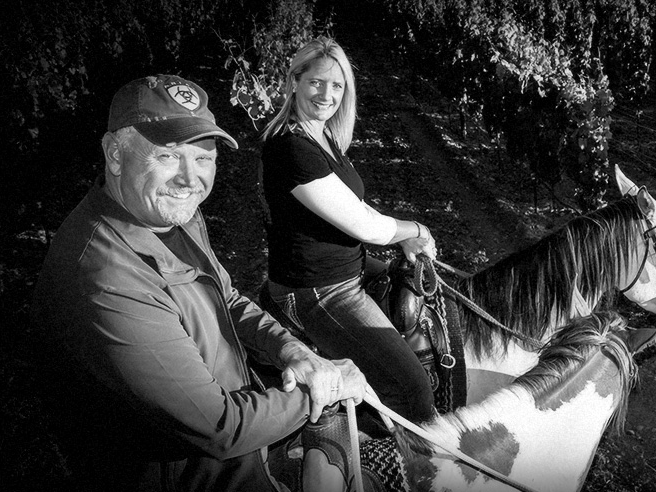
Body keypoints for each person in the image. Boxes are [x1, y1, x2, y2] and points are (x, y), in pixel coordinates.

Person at [31, 74, 367, 491]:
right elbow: (218, 425)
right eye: (169, 156)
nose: (190, 179)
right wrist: (326, 387)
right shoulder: (106, 278)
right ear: (115, 154)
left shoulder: (176, 216)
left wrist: (292, 349)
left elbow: (226, 296)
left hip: (242, 452)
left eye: (204, 157)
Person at [258, 37, 437, 425]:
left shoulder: (322, 136)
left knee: (420, 299)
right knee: (412, 388)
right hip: (317, 289)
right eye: (315, 82)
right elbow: (364, 225)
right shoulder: (291, 148)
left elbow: (353, 207)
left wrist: (403, 236)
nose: (327, 94)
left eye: (336, 85)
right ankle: (399, 467)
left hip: (347, 269)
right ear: (293, 82)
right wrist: (417, 228)